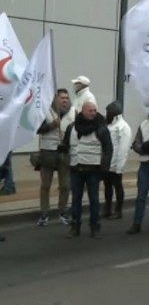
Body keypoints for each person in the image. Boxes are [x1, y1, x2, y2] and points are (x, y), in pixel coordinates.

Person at [62, 101, 112, 238]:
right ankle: (75, 227)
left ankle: (95, 228)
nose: (93, 113)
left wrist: (104, 168)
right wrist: (63, 150)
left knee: (94, 200)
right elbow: (66, 146)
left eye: (95, 110)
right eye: (90, 110)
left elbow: (108, 149)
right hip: (76, 169)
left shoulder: (101, 128)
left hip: (93, 171)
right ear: (82, 111)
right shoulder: (71, 127)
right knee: (76, 200)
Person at [36, 89, 75, 226]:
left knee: (65, 185)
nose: (65, 100)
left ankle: (63, 211)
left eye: (66, 98)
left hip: (64, 152)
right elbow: (38, 129)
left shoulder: (72, 112)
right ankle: (44, 213)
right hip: (48, 152)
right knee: (46, 184)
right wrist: (53, 125)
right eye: (62, 98)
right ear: (55, 99)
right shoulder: (46, 111)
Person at [102, 102, 131, 219]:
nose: (107, 114)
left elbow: (123, 149)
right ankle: (107, 209)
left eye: (108, 112)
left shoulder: (123, 127)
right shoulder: (109, 125)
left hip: (116, 164)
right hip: (107, 163)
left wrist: (119, 167)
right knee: (107, 186)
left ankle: (118, 211)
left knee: (117, 186)